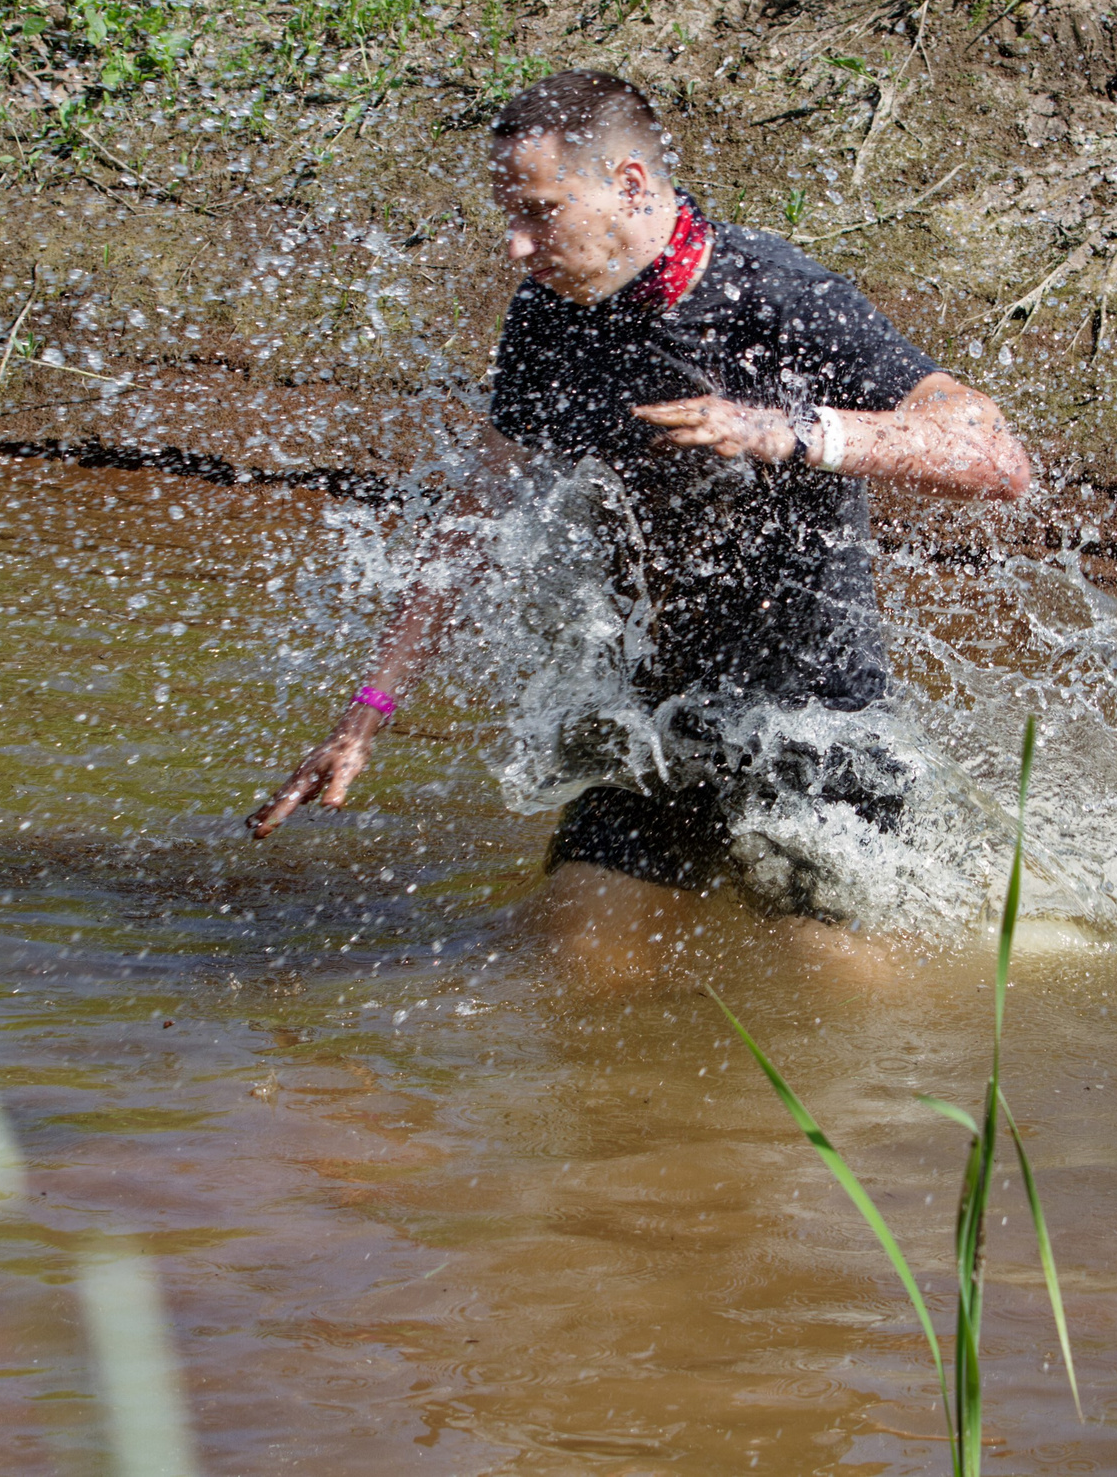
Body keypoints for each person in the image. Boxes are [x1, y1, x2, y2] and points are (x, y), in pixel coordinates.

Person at [250, 69, 1032, 984]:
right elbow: (474, 515)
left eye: (540, 212)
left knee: (839, 1001)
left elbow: (997, 457)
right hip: (656, 722)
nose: (515, 245)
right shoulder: (551, 319)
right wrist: (366, 715)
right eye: (510, 214)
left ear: (627, 184)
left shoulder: (777, 297)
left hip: (814, 723)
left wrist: (789, 431)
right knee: (572, 963)